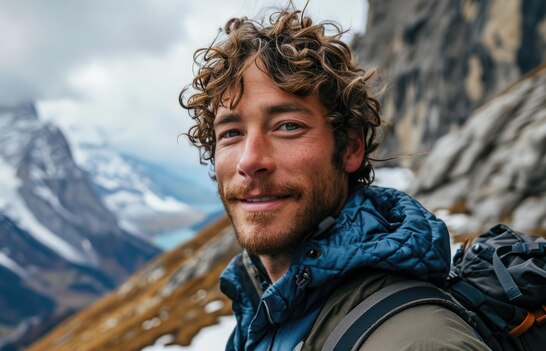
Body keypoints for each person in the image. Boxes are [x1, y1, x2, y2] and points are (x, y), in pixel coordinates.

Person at [179, 8, 490, 351]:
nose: (250, 160)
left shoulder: (414, 342)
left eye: (288, 126)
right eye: (231, 132)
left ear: (350, 148)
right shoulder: (264, 312)